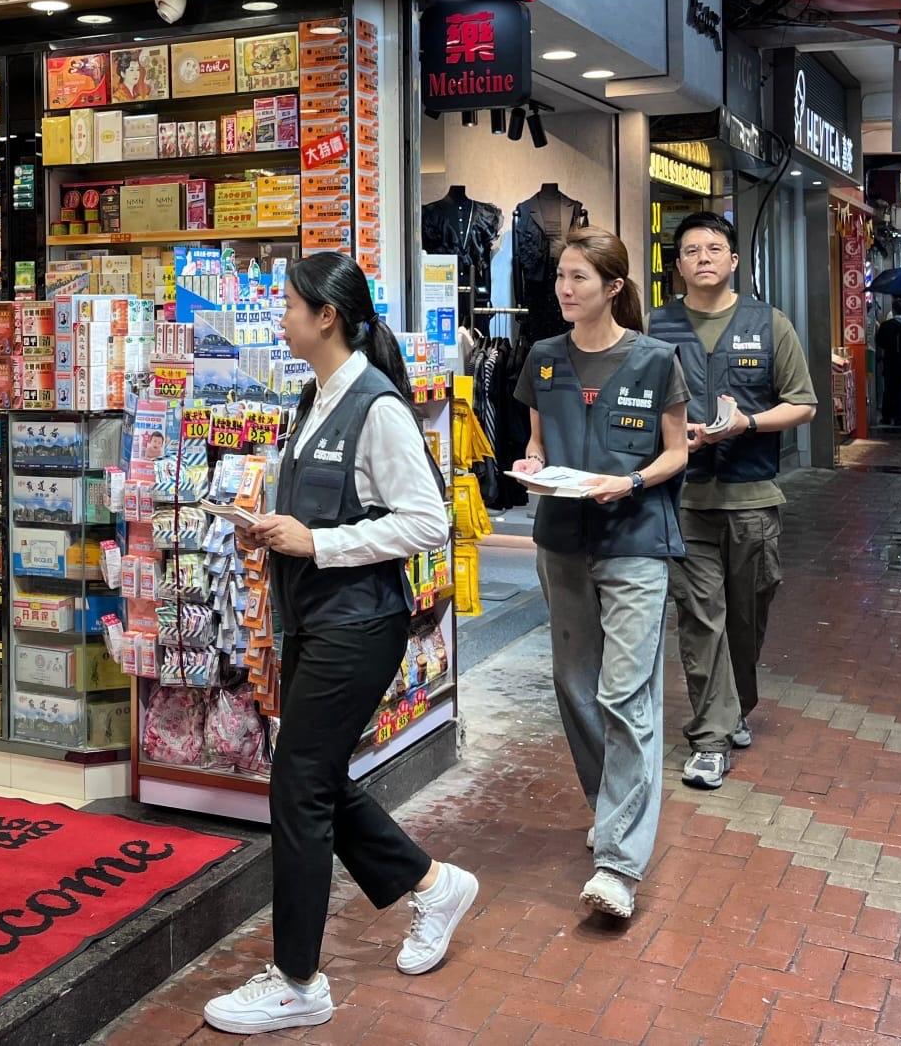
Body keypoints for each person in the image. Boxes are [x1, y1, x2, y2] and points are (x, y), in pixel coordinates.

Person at [204, 253, 476, 1036]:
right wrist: (273, 535)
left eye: (288, 304)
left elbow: (427, 522)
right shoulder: (313, 395)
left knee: (298, 785)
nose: (278, 316)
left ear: (326, 316)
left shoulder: (377, 406)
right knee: (313, 776)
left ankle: (296, 979)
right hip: (315, 619)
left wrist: (317, 544)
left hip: (359, 625)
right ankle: (430, 885)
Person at [507, 226, 689, 919]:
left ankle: (618, 864)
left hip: (636, 538)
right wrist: (528, 465)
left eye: (579, 277)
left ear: (612, 287)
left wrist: (633, 482)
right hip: (561, 538)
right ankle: (608, 807)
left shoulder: (653, 360)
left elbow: (676, 453)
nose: (564, 287)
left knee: (625, 694)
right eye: (560, 276)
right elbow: (534, 441)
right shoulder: (543, 357)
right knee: (574, 687)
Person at [648, 213, 818, 791]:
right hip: (684, 500)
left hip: (752, 499)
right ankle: (711, 737)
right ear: (677, 265)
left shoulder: (770, 324)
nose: (703, 258)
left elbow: (803, 404)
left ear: (733, 260)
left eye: (714, 248)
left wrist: (746, 422)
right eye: (690, 250)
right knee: (700, 619)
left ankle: (736, 703)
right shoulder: (654, 329)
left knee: (746, 617)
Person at [875, 297, 901, 426]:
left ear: (893, 311)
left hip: (890, 363)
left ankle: (887, 416)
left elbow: (880, 342)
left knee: (888, 390)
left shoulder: (885, 326)